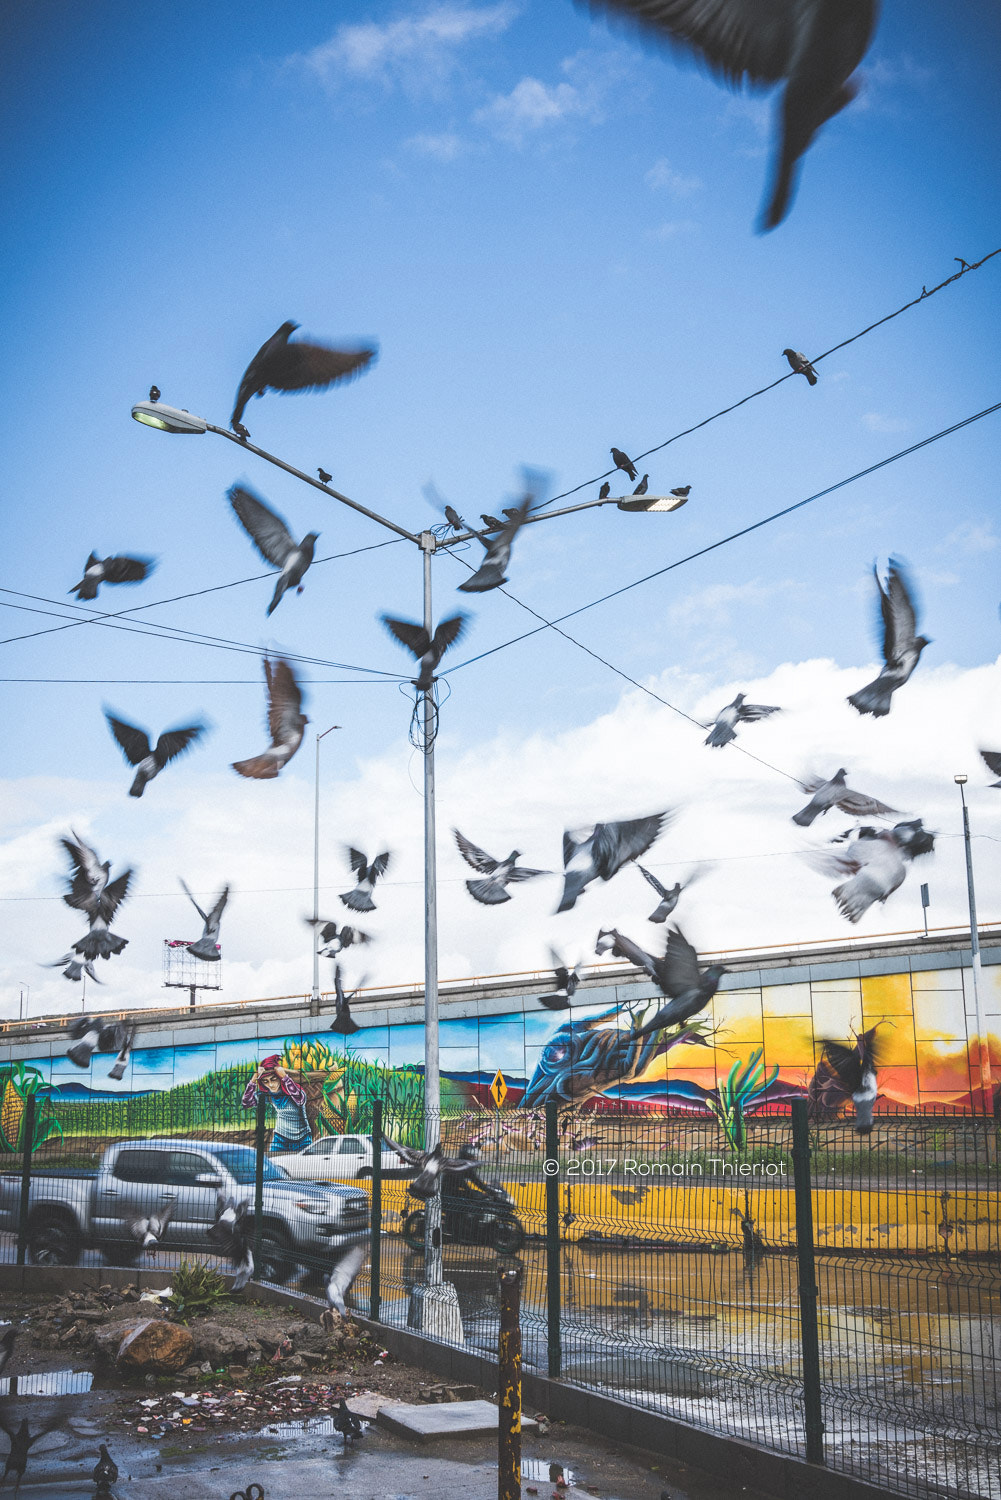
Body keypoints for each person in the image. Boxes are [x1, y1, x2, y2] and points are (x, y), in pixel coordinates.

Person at [241, 1055, 312, 1153]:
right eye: (265, 1081)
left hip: (302, 1138)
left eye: (273, 1079)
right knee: (273, 1163)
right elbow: (246, 1102)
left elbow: (300, 1100)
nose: (270, 1084)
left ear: (279, 1078)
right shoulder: (268, 1095)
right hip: (280, 1138)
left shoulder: (292, 1090)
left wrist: (285, 1077)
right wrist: (253, 1080)